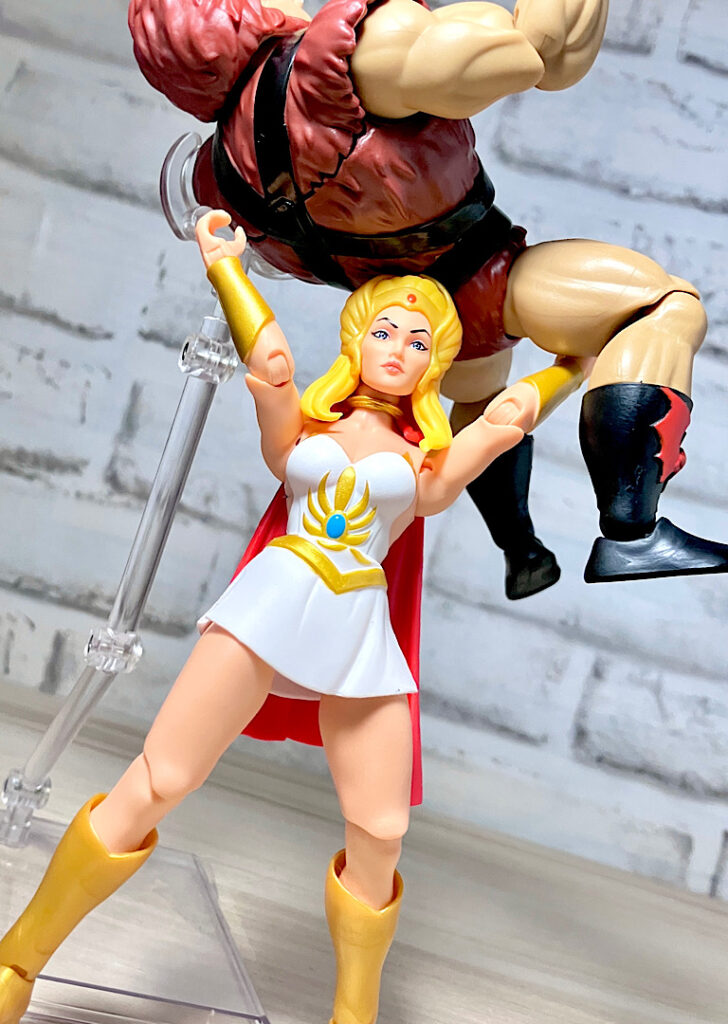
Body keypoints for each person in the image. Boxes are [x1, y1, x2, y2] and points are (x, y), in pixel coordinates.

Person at [1, 209, 579, 1024]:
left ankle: (353, 1015)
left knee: (380, 829)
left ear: (436, 363)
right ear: (356, 337)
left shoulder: (425, 464)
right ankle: (18, 960)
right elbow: (270, 366)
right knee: (161, 778)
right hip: (271, 602)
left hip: (358, 627)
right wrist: (225, 267)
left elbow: (504, 418)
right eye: (386, 330)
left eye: (420, 342)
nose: (399, 350)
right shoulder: (306, 429)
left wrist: (573, 365)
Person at [128, 0, 728, 597]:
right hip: (481, 281)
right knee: (661, 306)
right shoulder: (353, 55)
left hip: (409, 323)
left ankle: (521, 550)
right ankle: (630, 532)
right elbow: (534, 55)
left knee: (481, 401)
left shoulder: (215, 180)